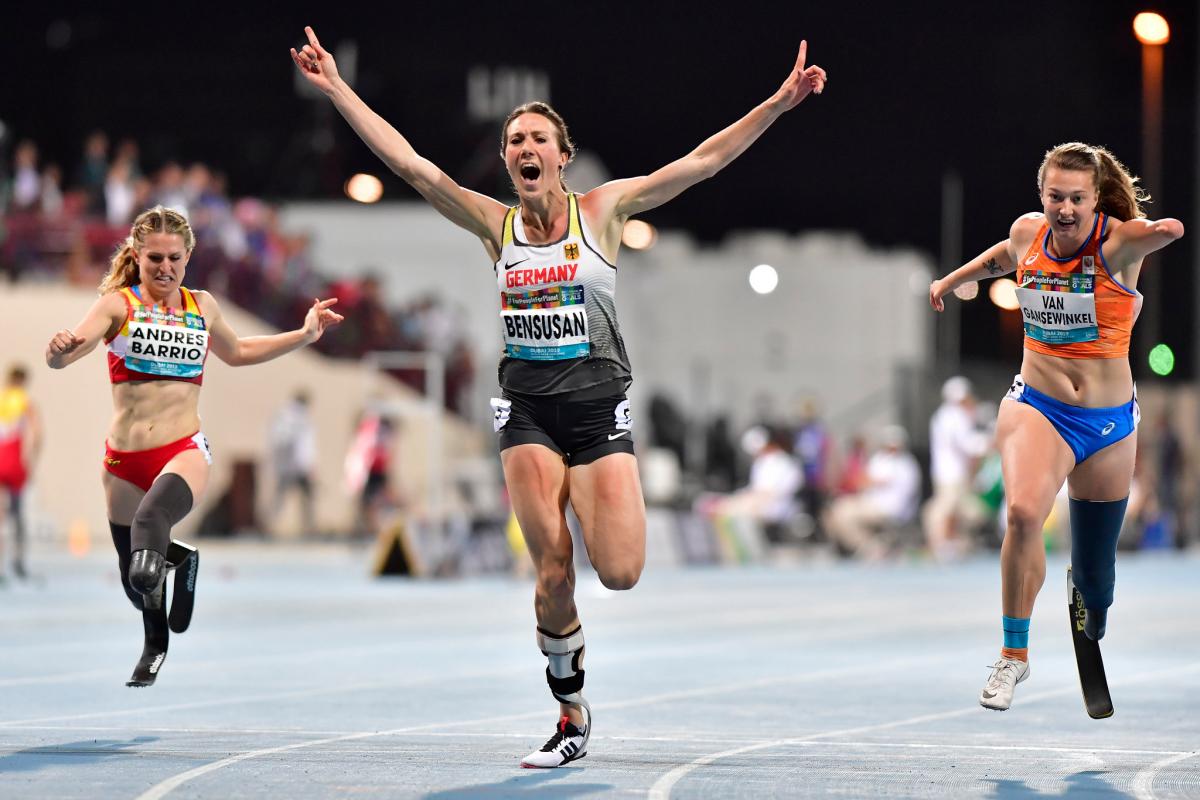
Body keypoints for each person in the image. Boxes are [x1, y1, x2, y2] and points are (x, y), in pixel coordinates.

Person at [291, 25, 825, 767]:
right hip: (529, 411)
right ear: (508, 159)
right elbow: (410, 164)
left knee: (620, 571)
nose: (523, 148)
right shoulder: (495, 224)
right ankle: (570, 713)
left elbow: (702, 163)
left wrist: (776, 104)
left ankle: (579, 623)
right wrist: (338, 89)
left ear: (562, 156)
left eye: (537, 137)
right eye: (513, 140)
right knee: (550, 569)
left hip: (600, 410)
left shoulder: (603, 212)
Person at [929, 142, 1184, 712]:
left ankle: (1087, 595)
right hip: (1038, 407)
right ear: (1041, 196)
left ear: (1095, 201)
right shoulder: (1029, 234)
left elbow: (1160, 234)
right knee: (1022, 513)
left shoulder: (1116, 245)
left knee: (1098, 580)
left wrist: (1163, 230)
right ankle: (1012, 656)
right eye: (1054, 198)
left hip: (1108, 425)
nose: (1064, 210)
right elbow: (1003, 255)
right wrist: (952, 280)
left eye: (1076, 199)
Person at [45, 206, 342, 687]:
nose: (165, 268)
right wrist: (57, 351)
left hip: (183, 449)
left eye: (175, 259)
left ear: (189, 258)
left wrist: (305, 335)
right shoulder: (118, 306)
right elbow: (67, 353)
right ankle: (174, 576)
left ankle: (153, 646)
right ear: (137, 256)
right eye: (155, 258)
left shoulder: (201, 306)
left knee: (149, 523)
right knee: (133, 579)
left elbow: (239, 352)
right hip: (123, 461)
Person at [921, 376, 991, 562]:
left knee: (961, 511)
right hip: (950, 474)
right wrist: (989, 443)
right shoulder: (953, 416)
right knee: (944, 509)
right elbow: (968, 444)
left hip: (953, 473)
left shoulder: (947, 415)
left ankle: (954, 544)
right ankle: (939, 545)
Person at [0, 365, 42, 581]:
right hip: (14, 461)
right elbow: (36, 434)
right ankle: (18, 562)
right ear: (23, 381)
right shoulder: (25, 402)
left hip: (0, 459)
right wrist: (31, 461)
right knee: (17, 517)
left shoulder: (2, 399)